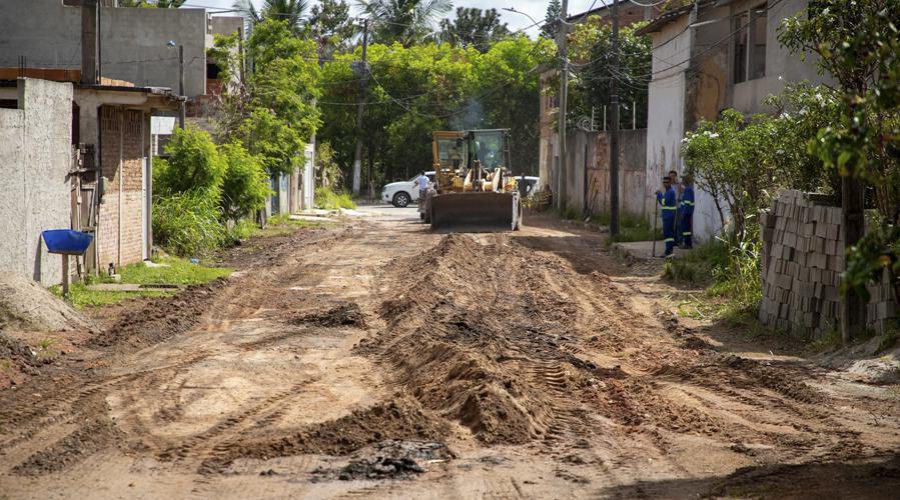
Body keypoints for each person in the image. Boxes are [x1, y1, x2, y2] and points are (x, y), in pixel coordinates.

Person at [656, 176, 677, 257]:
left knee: (667, 233)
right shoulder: (667, 191)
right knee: (668, 233)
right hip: (667, 215)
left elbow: (663, 202)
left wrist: (659, 195)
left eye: (667, 182)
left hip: (669, 215)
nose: (665, 184)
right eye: (664, 182)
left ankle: (668, 251)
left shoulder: (670, 192)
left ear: (670, 182)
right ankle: (669, 250)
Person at [680, 175, 695, 249]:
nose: (682, 181)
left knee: (686, 228)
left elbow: (687, 202)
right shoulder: (688, 189)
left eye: (683, 180)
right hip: (687, 211)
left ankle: (687, 244)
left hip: (686, 212)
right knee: (686, 228)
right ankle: (687, 243)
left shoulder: (688, 190)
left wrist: (683, 212)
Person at [669, 169, 682, 245]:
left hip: (678, 206)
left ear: (675, 176)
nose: (672, 178)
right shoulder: (668, 185)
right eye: (670, 176)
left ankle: (678, 240)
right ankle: (672, 240)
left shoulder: (678, 184)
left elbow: (680, 192)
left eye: (673, 176)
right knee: (671, 224)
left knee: (678, 224)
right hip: (670, 207)